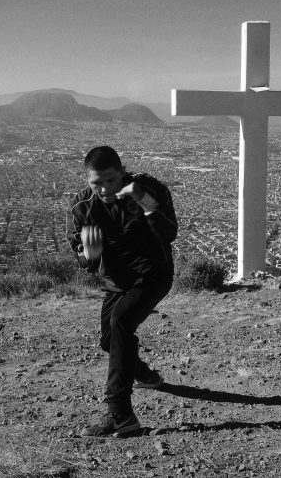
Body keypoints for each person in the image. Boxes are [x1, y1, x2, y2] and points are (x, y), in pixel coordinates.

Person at [66, 146, 178, 437]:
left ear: (122, 171)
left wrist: (149, 207)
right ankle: (145, 375)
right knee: (109, 341)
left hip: (153, 274)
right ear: (87, 179)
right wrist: (89, 254)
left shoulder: (147, 188)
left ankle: (120, 413)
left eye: (111, 180)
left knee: (121, 324)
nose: (104, 189)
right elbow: (84, 262)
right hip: (116, 282)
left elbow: (170, 234)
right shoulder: (82, 206)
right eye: (96, 183)